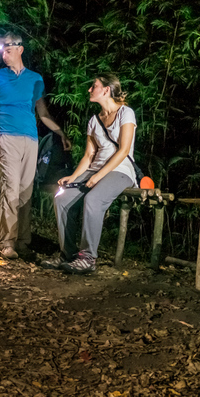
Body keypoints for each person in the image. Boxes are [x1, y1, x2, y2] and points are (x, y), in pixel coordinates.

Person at [0, 32, 71, 260]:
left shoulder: (35, 79)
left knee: (25, 191)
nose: (4, 54)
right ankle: (6, 243)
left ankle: (22, 242)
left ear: (20, 49)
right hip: (5, 137)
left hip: (30, 139)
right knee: (10, 189)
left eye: (8, 49)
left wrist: (60, 132)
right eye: (2, 50)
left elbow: (42, 113)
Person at [44, 73, 137, 275]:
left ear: (106, 90)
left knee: (94, 199)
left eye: (93, 86)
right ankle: (66, 254)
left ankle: (87, 258)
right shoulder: (94, 120)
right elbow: (88, 155)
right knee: (62, 199)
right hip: (94, 170)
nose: (89, 90)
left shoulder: (125, 113)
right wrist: (74, 177)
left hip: (119, 171)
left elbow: (123, 150)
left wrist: (98, 176)